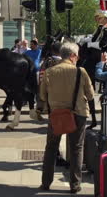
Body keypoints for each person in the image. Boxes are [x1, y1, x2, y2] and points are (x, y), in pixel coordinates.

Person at [39, 43, 94, 194]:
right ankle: (75, 185)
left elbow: (42, 95)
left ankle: (45, 183)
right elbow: (90, 95)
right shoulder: (80, 71)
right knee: (77, 148)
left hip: (56, 114)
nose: (78, 58)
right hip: (78, 113)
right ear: (72, 56)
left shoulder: (49, 72)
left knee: (51, 148)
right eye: (77, 55)